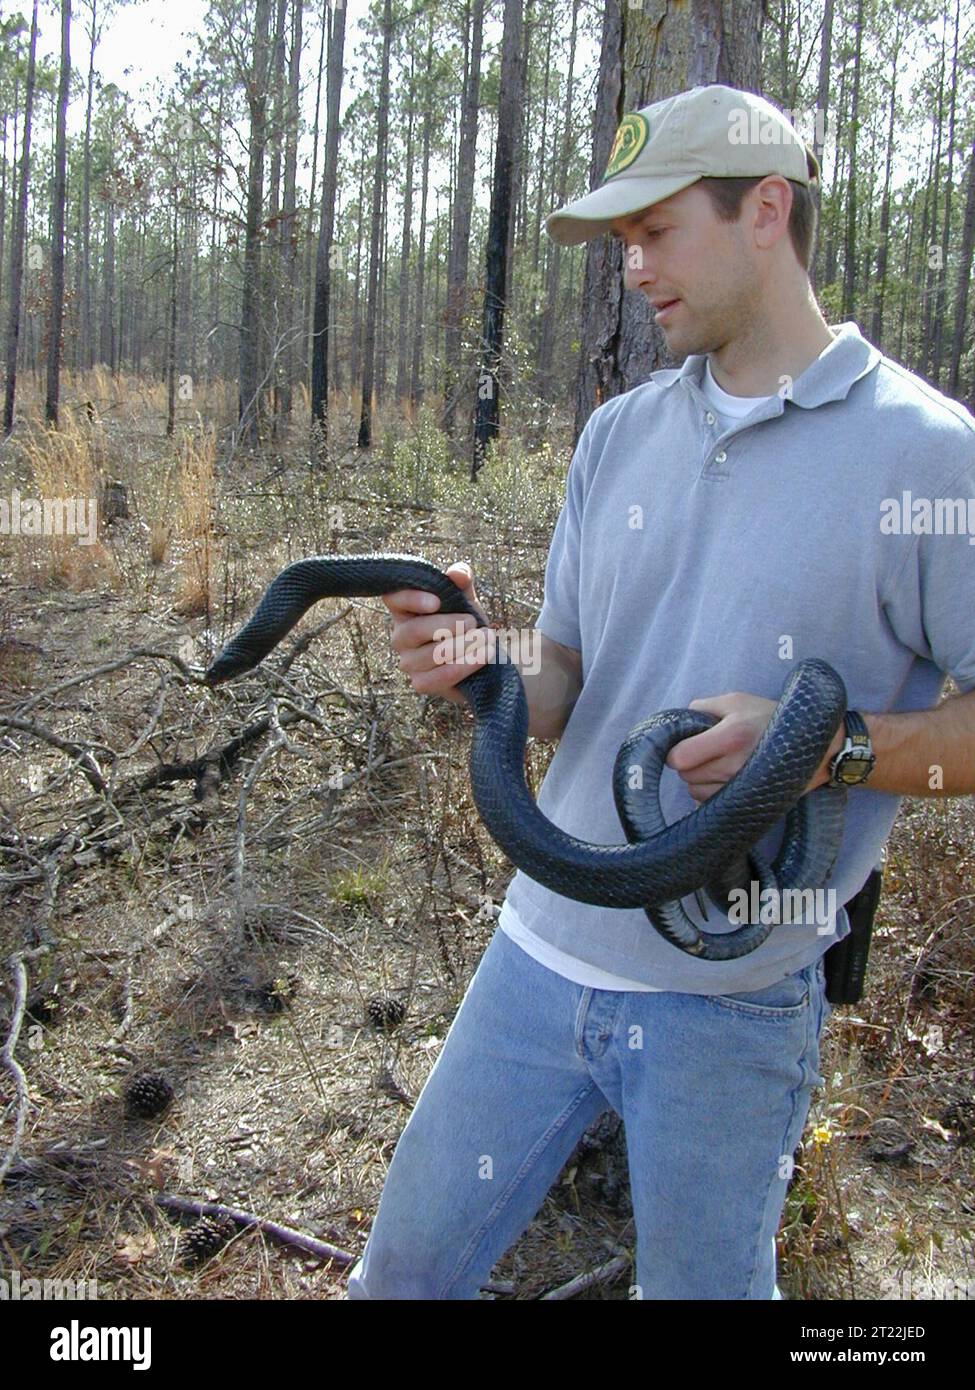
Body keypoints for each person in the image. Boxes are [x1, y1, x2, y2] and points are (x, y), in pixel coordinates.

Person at [345, 84, 975, 1300]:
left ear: (767, 211)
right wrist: (486, 663)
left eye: (656, 231)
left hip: (730, 1010)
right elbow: (572, 678)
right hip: (535, 955)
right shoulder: (619, 434)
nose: (632, 269)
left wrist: (820, 747)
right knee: (399, 1283)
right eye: (622, 241)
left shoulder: (932, 458)